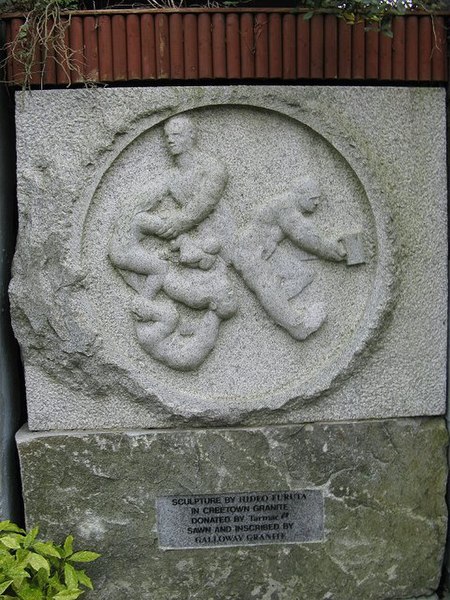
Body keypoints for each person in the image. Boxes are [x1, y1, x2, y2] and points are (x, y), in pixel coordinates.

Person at [108, 114, 236, 370]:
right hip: (186, 239)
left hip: (216, 232)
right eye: (167, 137)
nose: (170, 142)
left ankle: (209, 310)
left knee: (223, 280)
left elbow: (204, 203)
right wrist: (132, 211)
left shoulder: (213, 167)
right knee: (176, 281)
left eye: (176, 136)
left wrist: (176, 223)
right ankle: (198, 316)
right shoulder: (170, 177)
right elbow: (148, 198)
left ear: (191, 137)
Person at [229, 176, 346, 341]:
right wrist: (329, 250)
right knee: (267, 286)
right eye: (313, 198)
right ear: (300, 194)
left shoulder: (287, 206)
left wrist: (329, 247)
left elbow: (303, 237)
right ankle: (297, 326)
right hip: (248, 254)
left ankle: (275, 305)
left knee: (303, 274)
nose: (317, 203)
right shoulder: (285, 206)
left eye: (319, 199)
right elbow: (303, 236)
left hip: (267, 251)